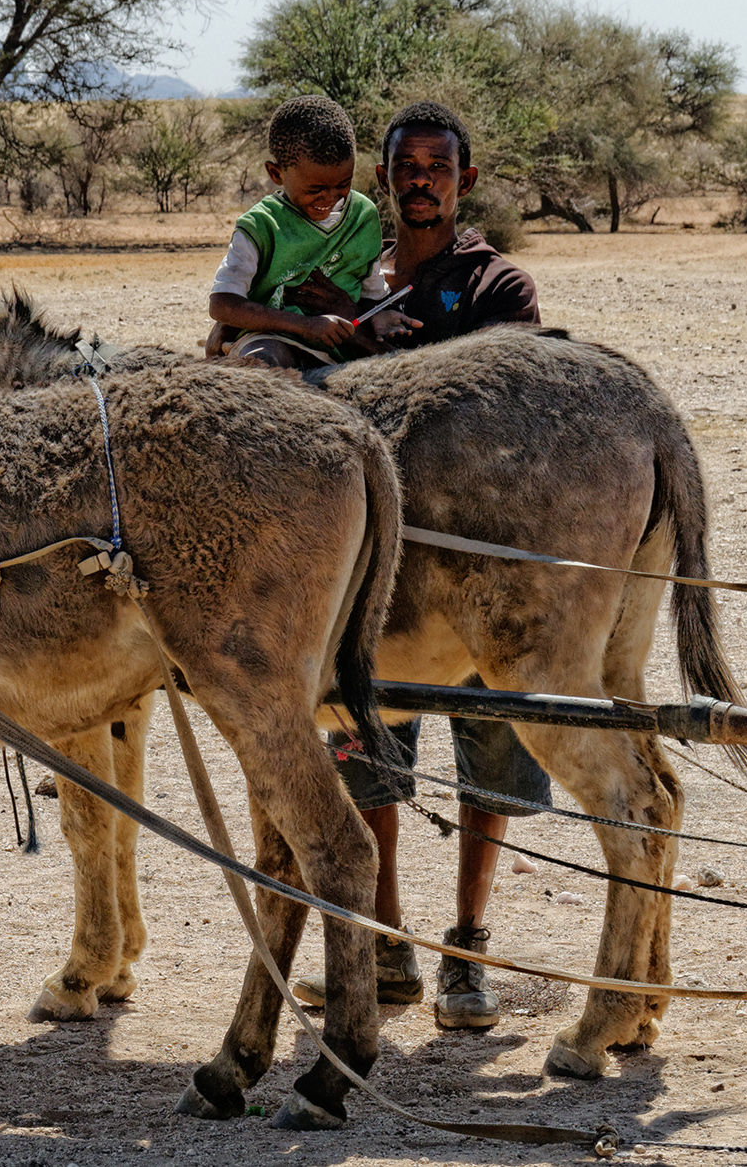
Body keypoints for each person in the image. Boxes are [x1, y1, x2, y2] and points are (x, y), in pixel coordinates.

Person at [290, 101, 548, 1030]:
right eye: (407, 166)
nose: (422, 180)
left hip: (474, 564)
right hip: (371, 569)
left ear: (464, 180)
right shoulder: (350, 278)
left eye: (439, 166)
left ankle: (467, 950)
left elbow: (503, 404)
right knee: (365, 755)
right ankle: (387, 946)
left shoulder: (498, 286)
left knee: (490, 748)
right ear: (384, 178)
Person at [204, 94, 388, 371]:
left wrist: (383, 316)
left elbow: (373, 293)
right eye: (315, 189)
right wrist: (304, 326)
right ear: (276, 173)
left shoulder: (363, 216)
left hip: (342, 349)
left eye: (343, 184)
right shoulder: (261, 226)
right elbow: (222, 304)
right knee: (263, 361)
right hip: (272, 339)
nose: (331, 198)